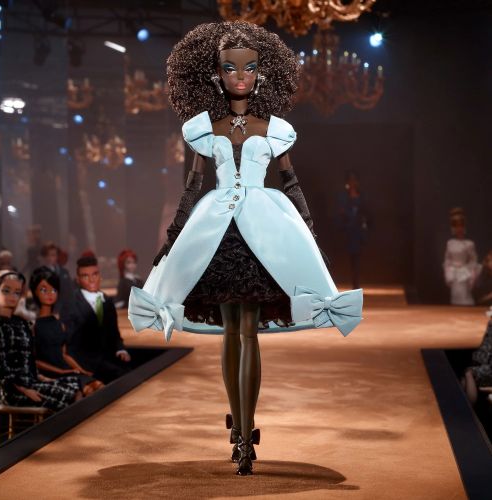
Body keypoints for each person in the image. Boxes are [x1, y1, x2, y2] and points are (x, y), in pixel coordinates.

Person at [128, 21, 363, 476]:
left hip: (263, 230)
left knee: (247, 330)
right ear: (215, 73)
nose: (241, 76)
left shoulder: (275, 129)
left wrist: (310, 235)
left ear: (262, 72)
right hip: (216, 232)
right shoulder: (204, 129)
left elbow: (291, 183)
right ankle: (238, 429)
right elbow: (192, 188)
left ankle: (246, 428)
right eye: (231, 67)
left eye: (249, 67)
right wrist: (173, 238)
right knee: (232, 330)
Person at [0, 270, 81, 411]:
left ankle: (72, 422)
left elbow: (29, 362)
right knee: (69, 394)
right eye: (6, 291)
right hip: (12, 391)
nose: (12, 296)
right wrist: (25, 390)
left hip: (31, 382)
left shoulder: (22, 324)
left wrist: (43, 379)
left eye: (17, 292)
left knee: (74, 382)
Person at [29, 267, 104, 396]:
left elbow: (64, 355)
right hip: (51, 374)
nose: (49, 294)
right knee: (88, 391)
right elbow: (35, 361)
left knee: (99, 386)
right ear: (35, 292)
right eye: (43, 290)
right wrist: (60, 372)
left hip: (66, 369)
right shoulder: (33, 326)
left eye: (53, 290)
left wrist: (80, 370)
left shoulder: (59, 323)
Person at [65, 255, 131, 384]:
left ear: (99, 275)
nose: (91, 280)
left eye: (94, 274)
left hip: (109, 357)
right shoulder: (71, 304)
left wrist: (121, 349)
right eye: (85, 276)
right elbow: (69, 343)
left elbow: (114, 333)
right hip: (86, 363)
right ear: (78, 279)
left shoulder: (106, 300)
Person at [336, 170, 369, 289]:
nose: (352, 183)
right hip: (346, 232)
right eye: (350, 180)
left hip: (358, 233)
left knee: (357, 259)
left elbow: (366, 214)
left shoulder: (362, 197)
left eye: (354, 180)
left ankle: (356, 284)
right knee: (348, 259)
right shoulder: (343, 197)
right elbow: (340, 214)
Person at [443, 207, 478, 305]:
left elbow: (473, 260)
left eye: (461, 226)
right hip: (453, 273)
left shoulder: (469, 244)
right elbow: (447, 259)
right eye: (456, 226)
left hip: (464, 273)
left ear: (464, 227)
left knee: (464, 296)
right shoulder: (450, 243)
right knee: (455, 297)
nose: (459, 229)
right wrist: (447, 271)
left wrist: (470, 272)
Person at [462, 311, 492, 404]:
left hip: (487, 367)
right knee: (463, 380)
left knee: (468, 373)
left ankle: (469, 406)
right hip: (481, 363)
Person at [40, 242, 75, 318]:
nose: (51, 258)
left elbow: (70, 292)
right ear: (45, 257)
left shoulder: (64, 272)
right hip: (50, 312)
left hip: (66, 311)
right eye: (48, 255)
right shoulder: (40, 274)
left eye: (53, 255)